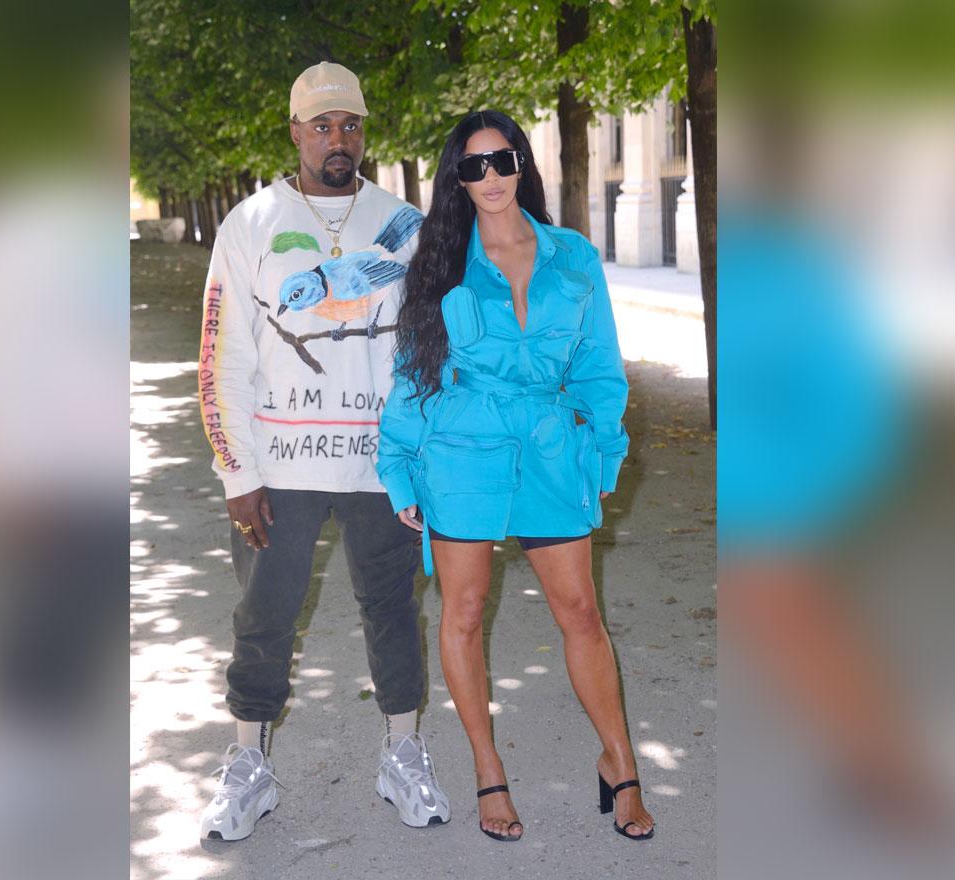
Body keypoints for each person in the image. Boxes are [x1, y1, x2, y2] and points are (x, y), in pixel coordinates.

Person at [377, 110, 655, 842]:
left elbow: (599, 367)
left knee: (581, 613)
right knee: (462, 614)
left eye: (503, 161)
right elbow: (413, 374)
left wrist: (605, 452)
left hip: (552, 449)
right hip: (460, 453)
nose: (491, 177)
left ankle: (619, 763)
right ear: (457, 179)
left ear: (523, 164)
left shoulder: (574, 257)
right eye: (473, 166)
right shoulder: (439, 262)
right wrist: (399, 468)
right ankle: (486, 768)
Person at [196, 62, 448, 842]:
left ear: (363, 132)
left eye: (350, 125)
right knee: (263, 615)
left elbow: (429, 346)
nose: (337, 140)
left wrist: (426, 454)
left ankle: (402, 752)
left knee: (393, 613)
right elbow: (222, 355)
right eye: (321, 126)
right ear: (296, 133)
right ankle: (248, 765)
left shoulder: (403, 221)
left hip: (383, 465)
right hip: (280, 467)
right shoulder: (252, 222)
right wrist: (237, 471)